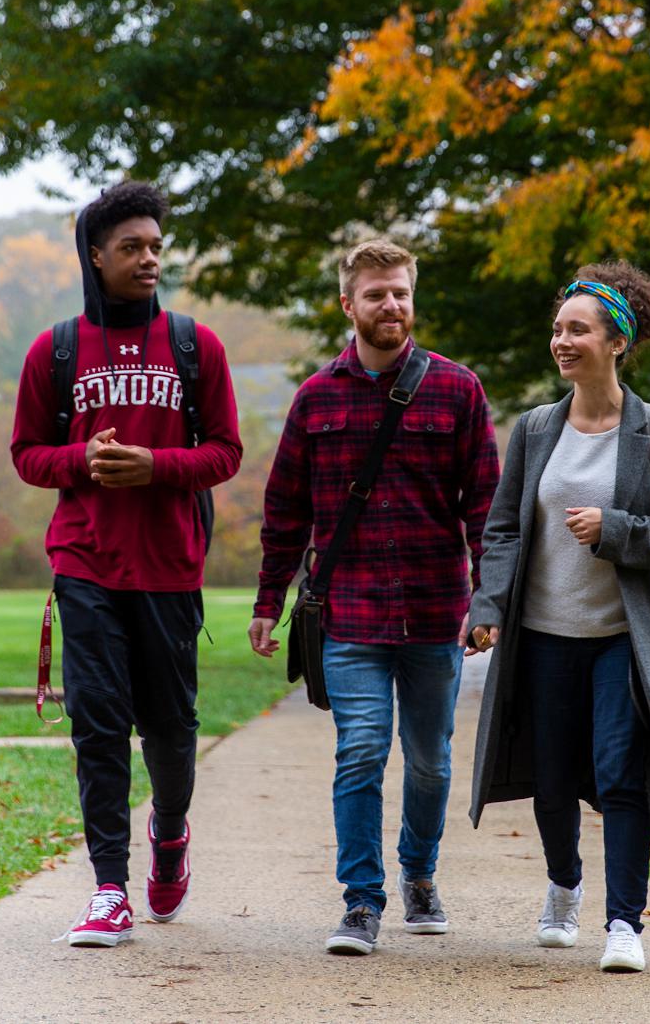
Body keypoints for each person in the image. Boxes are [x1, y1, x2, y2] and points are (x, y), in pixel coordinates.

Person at [9, 180, 243, 948]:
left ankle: (169, 831)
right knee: (98, 722)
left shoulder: (193, 344)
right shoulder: (57, 349)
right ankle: (109, 886)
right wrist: (82, 458)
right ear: (96, 254)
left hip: (170, 566)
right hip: (85, 562)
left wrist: (157, 467)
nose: (149, 258)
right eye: (133, 247)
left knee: (171, 731)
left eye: (156, 246)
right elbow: (27, 454)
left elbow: (226, 453)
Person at [249, 238, 500, 955]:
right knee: (360, 749)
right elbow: (285, 510)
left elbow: (485, 504)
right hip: (349, 611)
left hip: (433, 611)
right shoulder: (315, 398)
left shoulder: (458, 389)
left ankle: (419, 874)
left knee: (430, 760)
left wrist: (489, 599)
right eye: (375, 294)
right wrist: (269, 599)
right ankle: (361, 900)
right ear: (347, 304)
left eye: (400, 292)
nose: (391, 305)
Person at [463, 262, 650, 974]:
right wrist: (489, 604)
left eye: (577, 329)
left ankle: (624, 920)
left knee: (620, 772)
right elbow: (503, 528)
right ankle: (563, 885)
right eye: (557, 328)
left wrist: (616, 527)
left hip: (621, 640)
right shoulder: (536, 429)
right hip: (542, 635)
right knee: (553, 772)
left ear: (617, 341)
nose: (561, 340)